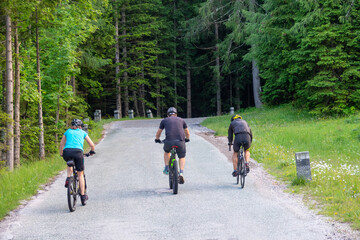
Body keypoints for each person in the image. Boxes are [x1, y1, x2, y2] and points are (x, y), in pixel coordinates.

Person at [59, 119, 95, 205]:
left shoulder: (67, 131)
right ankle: (83, 196)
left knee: (70, 164)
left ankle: (68, 178)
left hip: (67, 152)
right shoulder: (82, 132)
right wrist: (92, 151)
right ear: (80, 126)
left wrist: (61, 153)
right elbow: (92, 145)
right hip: (78, 153)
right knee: (80, 174)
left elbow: (61, 144)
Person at [155, 107, 190, 184]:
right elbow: (187, 132)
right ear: (176, 114)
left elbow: (159, 132)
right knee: (181, 157)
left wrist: (157, 139)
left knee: (167, 152)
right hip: (180, 142)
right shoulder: (181, 120)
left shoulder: (164, 120)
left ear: (168, 115)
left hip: (169, 142)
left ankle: (167, 168)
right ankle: (181, 173)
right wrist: (187, 139)